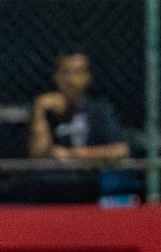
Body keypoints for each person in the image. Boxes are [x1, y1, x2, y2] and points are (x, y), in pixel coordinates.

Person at [27, 51, 133, 203]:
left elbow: (120, 150)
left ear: (88, 77)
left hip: (87, 185)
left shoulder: (99, 109)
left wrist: (73, 154)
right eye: (66, 72)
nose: (71, 80)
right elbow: (37, 153)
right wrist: (40, 110)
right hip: (48, 186)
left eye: (78, 72)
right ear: (56, 77)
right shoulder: (46, 109)